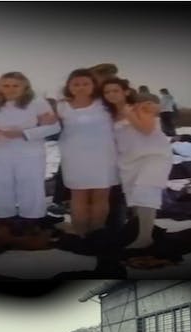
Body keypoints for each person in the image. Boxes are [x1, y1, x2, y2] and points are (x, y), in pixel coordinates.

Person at [0, 71, 60, 230]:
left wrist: (24, 133)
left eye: (15, 85)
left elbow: (53, 127)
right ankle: (1, 221)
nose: (10, 89)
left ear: (25, 87)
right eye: (6, 85)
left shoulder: (37, 102)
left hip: (29, 151)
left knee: (30, 185)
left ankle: (31, 221)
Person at [102, 79, 173, 249]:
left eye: (115, 90)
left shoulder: (142, 107)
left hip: (154, 155)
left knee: (146, 191)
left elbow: (147, 130)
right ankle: (137, 233)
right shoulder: (108, 114)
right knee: (136, 198)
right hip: (128, 160)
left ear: (125, 92)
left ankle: (145, 238)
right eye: (107, 92)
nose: (111, 94)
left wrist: (129, 113)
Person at [56, 68, 119, 237]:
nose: (81, 87)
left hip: (103, 155)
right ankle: (80, 233)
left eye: (85, 84)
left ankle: (97, 233)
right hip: (74, 156)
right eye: (76, 84)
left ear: (94, 85)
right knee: (78, 195)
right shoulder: (61, 106)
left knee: (101, 195)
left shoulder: (105, 103)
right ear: (69, 86)